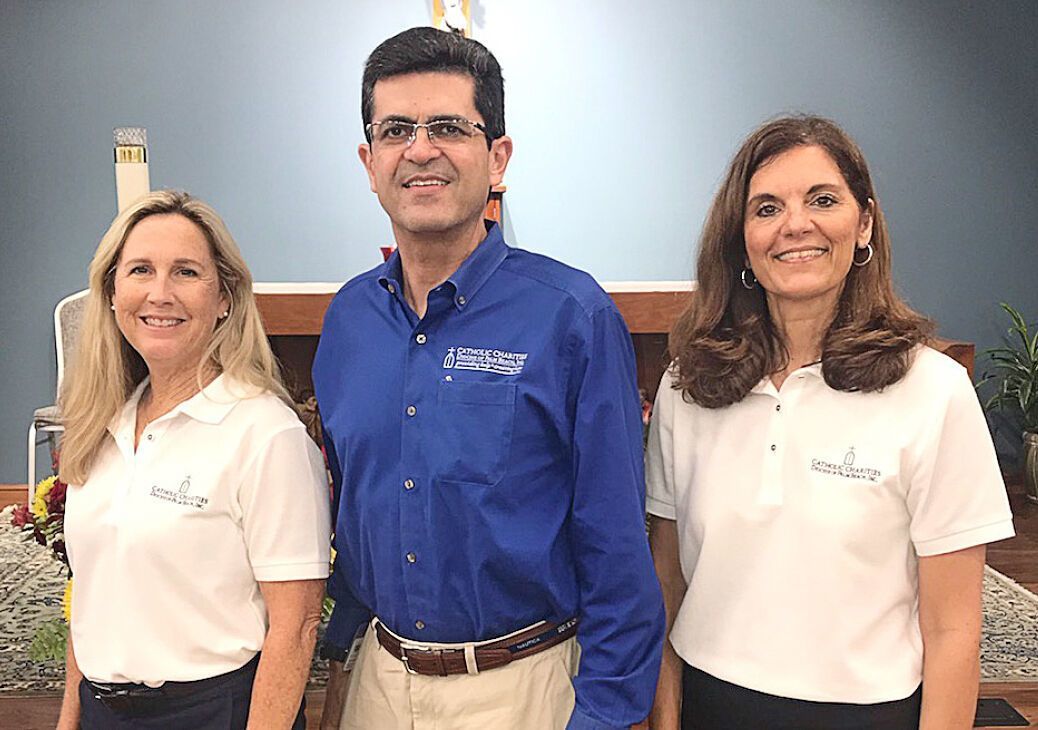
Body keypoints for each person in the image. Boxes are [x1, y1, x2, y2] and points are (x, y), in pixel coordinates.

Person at [313, 26, 665, 730]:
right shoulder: (349, 320)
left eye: (448, 127)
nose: (420, 149)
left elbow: (617, 549)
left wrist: (604, 716)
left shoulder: (571, 318)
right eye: (396, 131)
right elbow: (351, 509)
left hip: (523, 689)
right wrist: (337, 665)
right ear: (369, 159)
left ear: (497, 156)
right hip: (380, 682)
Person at [645, 115, 1015, 730]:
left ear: (863, 222)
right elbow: (663, 588)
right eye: (766, 208)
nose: (795, 225)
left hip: (871, 713)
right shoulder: (689, 387)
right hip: (711, 705)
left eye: (823, 200)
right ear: (740, 238)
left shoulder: (932, 390)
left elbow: (953, 629)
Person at [56, 190, 331, 729]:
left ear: (225, 297)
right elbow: (91, 596)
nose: (160, 293)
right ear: (112, 292)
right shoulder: (101, 428)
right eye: (140, 270)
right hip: (101, 710)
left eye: (185, 272)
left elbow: (295, 628)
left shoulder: (265, 432)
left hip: (213, 712)